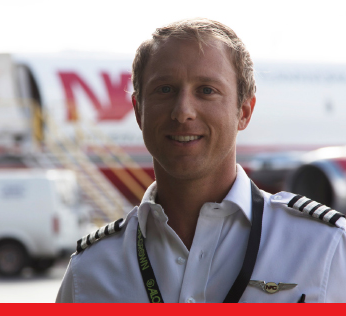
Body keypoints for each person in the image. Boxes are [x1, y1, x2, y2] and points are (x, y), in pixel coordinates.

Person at [55, 18, 346, 303]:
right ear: (138, 111)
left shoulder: (326, 250)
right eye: (165, 89)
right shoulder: (89, 272)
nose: (183, 112)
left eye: (207, 90)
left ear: (243, 112)